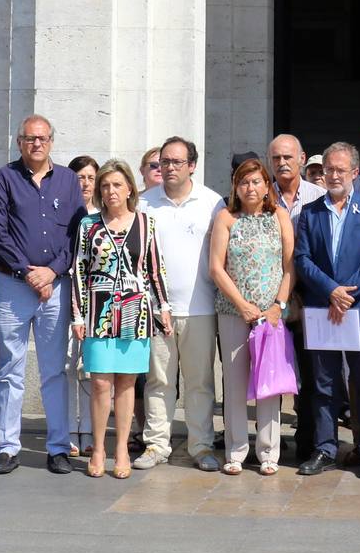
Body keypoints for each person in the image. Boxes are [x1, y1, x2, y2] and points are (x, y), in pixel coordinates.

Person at [0, 114, 87, 474]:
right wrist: (27, 272)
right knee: (10, 367)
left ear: (52, 142)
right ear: (19, 143)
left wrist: (52, 271)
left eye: (42, 138)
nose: (36, 144)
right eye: (29, 139)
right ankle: (8, 447)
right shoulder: (2, 179)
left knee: (54, 370)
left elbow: (78, 234)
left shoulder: (69, 181)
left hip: (55, 286)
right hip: (13, 285)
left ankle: (58, 447)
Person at [293, 142, 360, 479]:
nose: (333, 175)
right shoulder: (311, 212)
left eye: (340, 169)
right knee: (322, 385)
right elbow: (302, 259)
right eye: (328, 169)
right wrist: (330, 291)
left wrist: (346, 293)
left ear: (354, 172)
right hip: (323, 308)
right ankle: (325, 448)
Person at [73, 159, 172, 479]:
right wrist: (78, 314)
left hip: (135, 312)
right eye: (105, 186)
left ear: (130, 187)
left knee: (128, 384)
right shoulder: (89, 225)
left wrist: (163, 308)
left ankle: (121, 450)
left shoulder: (146, 223)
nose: (110, 191)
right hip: (98, 311)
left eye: (116, 184)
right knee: (101, 383)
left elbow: (154, 270)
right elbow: (79, 271)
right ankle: (99, 449)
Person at [137, 136, 224, 471]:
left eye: (175, 162)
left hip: (200, 308)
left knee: (200, 382)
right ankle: (157, 444)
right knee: (159, 382)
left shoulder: (212, 203)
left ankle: (200, 445)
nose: (168, 168)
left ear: (192, 165)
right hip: (156, 309)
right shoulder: (144, 203)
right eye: (163, 162)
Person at [210, 158, 295, 476]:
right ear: (235, 186)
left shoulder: (279, 217)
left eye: (256, 181)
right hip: (233, 313)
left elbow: (289, 268)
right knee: (234, 384)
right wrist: (241, 304)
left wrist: (279, 305)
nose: (250, 187)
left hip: (270, 316)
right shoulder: (226, 218)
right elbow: (216, 267)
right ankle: (236, 450)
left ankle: (269, 452)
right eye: (244, 182)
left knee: (269, 384)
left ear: (266, 186)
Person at [268, 132, 326, 457]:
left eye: (288, 157)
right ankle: (270, 445)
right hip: (270, 296)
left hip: (311, 295)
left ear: (302, 158)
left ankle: (308, 443)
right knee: (271, 371)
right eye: (276, 158)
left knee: (310, 373)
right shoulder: (262, 197)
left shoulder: (320, 195)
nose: (282, 163)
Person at [66, 154, 101, 456]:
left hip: (97, 301)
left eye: (91, 177)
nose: (86, 183)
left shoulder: (103, 215)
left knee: (90, 368)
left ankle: (88, 430)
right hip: (66, 297)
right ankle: (68, 430)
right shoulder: (64, 212)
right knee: (67, 365)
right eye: (81, 177)